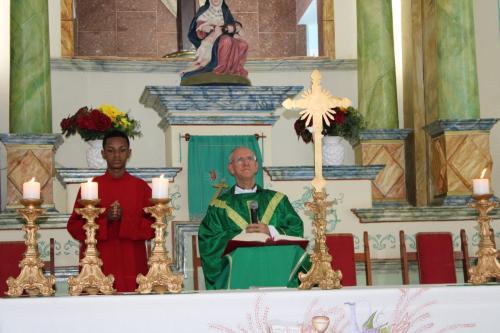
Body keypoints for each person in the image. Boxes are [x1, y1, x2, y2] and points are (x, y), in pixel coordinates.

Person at [198, 146, 304, 289]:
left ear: (256, 166)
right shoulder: (219, 206)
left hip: (275, 271)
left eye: (250, 159)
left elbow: (296, 228)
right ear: (231, 168)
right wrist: (242, 236)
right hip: (239, 275)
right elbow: (208, 241)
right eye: (240, 160)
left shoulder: (277, 200)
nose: (246, 163)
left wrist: (270, 230)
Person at [67, 130, 154, 292]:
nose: (116, 155)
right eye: (111, 150)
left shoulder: (140, 187)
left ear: (129, 153)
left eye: (122, 150)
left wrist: (124, 219)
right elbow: (74, 226)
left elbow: (154, 226)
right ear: (103, 153)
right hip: (98, 263)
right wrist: (104, 219)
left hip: (132, 263)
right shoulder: (90, 187)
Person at [181, 0, 249, 80]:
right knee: (226, 41)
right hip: (211, 41)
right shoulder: (204, 10)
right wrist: (205, 28)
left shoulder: (225, 11)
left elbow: (231, 24)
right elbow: (198, 29)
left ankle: (234, 70)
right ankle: (220, 69)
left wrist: (233, 28)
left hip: (224, 35)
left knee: (243, 45)